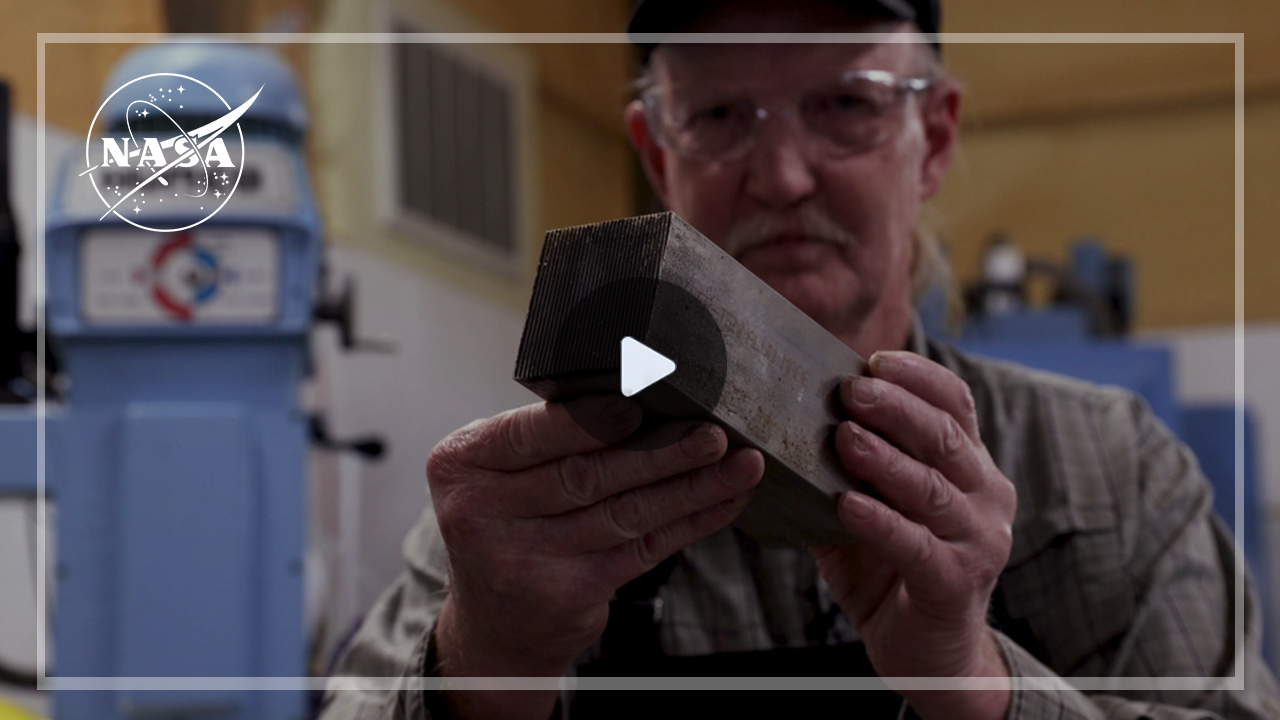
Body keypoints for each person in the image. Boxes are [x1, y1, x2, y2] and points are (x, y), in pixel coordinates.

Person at [320, 1, 1280, 718]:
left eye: (844, 104)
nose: (780, 176)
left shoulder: (1109, 475)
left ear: (934, 136)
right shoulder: (543, 501)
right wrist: (484, 661)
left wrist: (974, 680)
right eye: (722, 117)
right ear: (659, 150)